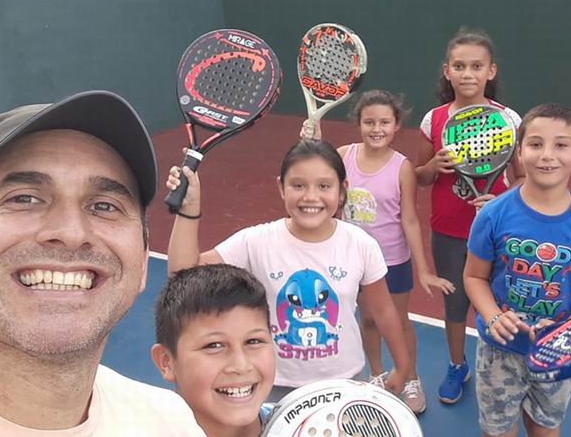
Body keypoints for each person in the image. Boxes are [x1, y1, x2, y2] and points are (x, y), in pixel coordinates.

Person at [0, 91, 204, 436]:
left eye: (104, 206)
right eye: (23, 198)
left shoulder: (170, 424)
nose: (70, 232)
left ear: (142, 262)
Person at [165, 139, 410, 402]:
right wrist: (188, 211)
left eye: (324, 186)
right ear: (281, 188)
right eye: (298, 185)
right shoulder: (257, 241)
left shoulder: (361, 244)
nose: (310, 197)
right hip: (273, 385)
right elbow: (183, 274)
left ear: (342, 191)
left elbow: (384, 310)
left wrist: (402, 364)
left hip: (345, 382)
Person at [464, 103, 571, 437]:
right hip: (498, 352)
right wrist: (492, 316)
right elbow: (474, 276)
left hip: (557, 352)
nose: (547, 155)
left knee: (546, 428)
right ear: (519, 152)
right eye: (535, 144)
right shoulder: (492, 215)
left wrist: (566, 329)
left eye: (561, 145)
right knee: (497, 432)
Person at [301, 89, 453, 414]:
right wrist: (315, 137)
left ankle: (410, 377)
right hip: (352, 259)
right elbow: (316, 170)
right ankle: (377, 375)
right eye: (369, 121)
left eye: (384, 122)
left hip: (392, 261)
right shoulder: (343, 155)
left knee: (397, 321)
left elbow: (409, 220)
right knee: (367, 319)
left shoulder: (403, 168)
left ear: (397, 124)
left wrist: (423, 268)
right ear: (359, 123)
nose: (377, 128)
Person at [414, 27, 524, 404]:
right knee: (456, 304)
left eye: (476, 66)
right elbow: (419, 178)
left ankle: (505, 368)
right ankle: (458, 365)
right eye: (459, 66)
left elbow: (523, 181)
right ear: (447, 70)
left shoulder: (509, 119)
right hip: (448, 231)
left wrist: (499, 199)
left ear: (490, 71)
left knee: (503, 303)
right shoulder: (434, 120)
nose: (467, 73)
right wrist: (433, 164)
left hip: (498, 231)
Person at [151, 263, 275, 437]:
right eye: (214, 346)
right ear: (166, 362)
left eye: (253, 341)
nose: (241, 365)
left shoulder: (307, 425)